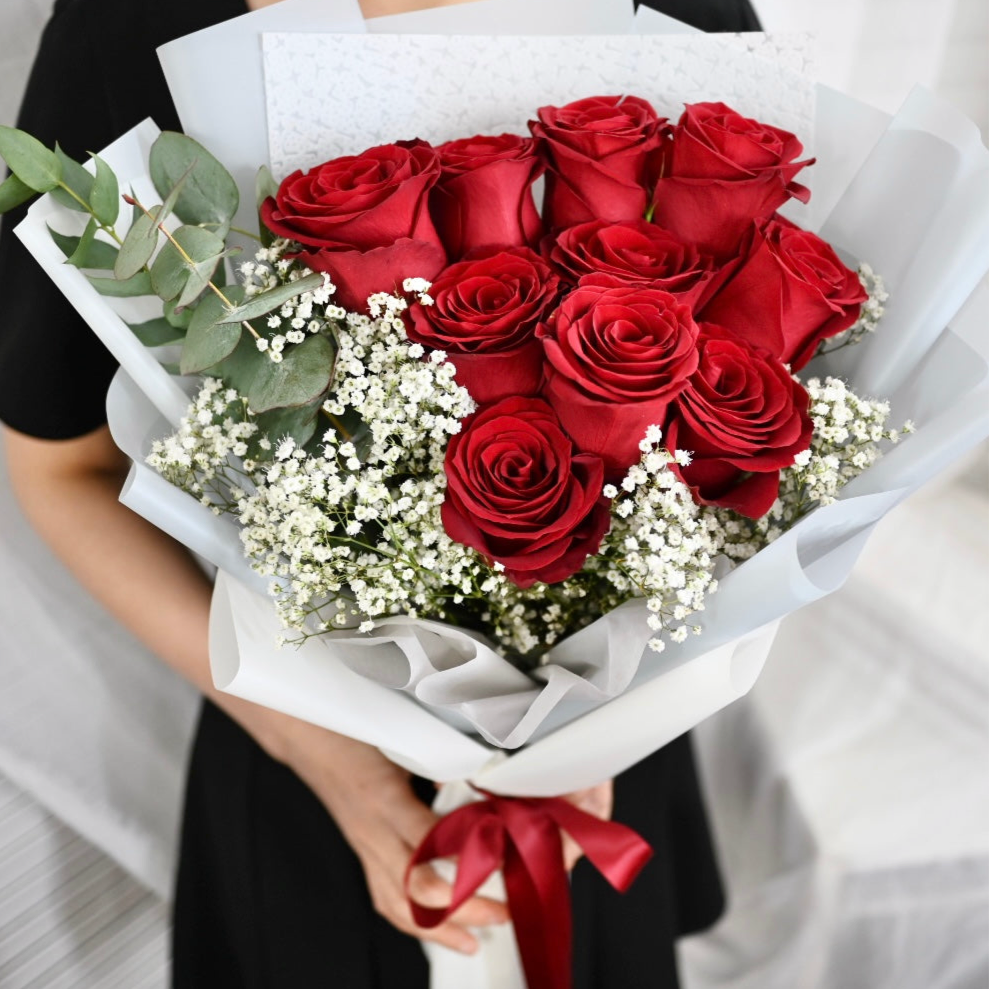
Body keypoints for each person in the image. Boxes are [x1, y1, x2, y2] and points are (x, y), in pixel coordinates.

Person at [0, 0, 758, 985]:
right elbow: (61, 469)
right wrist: (335, 764)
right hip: (306, 754)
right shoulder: (129, 22)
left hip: (601, 769)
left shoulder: (678, 9)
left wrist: (600, 723)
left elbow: (763, 418)